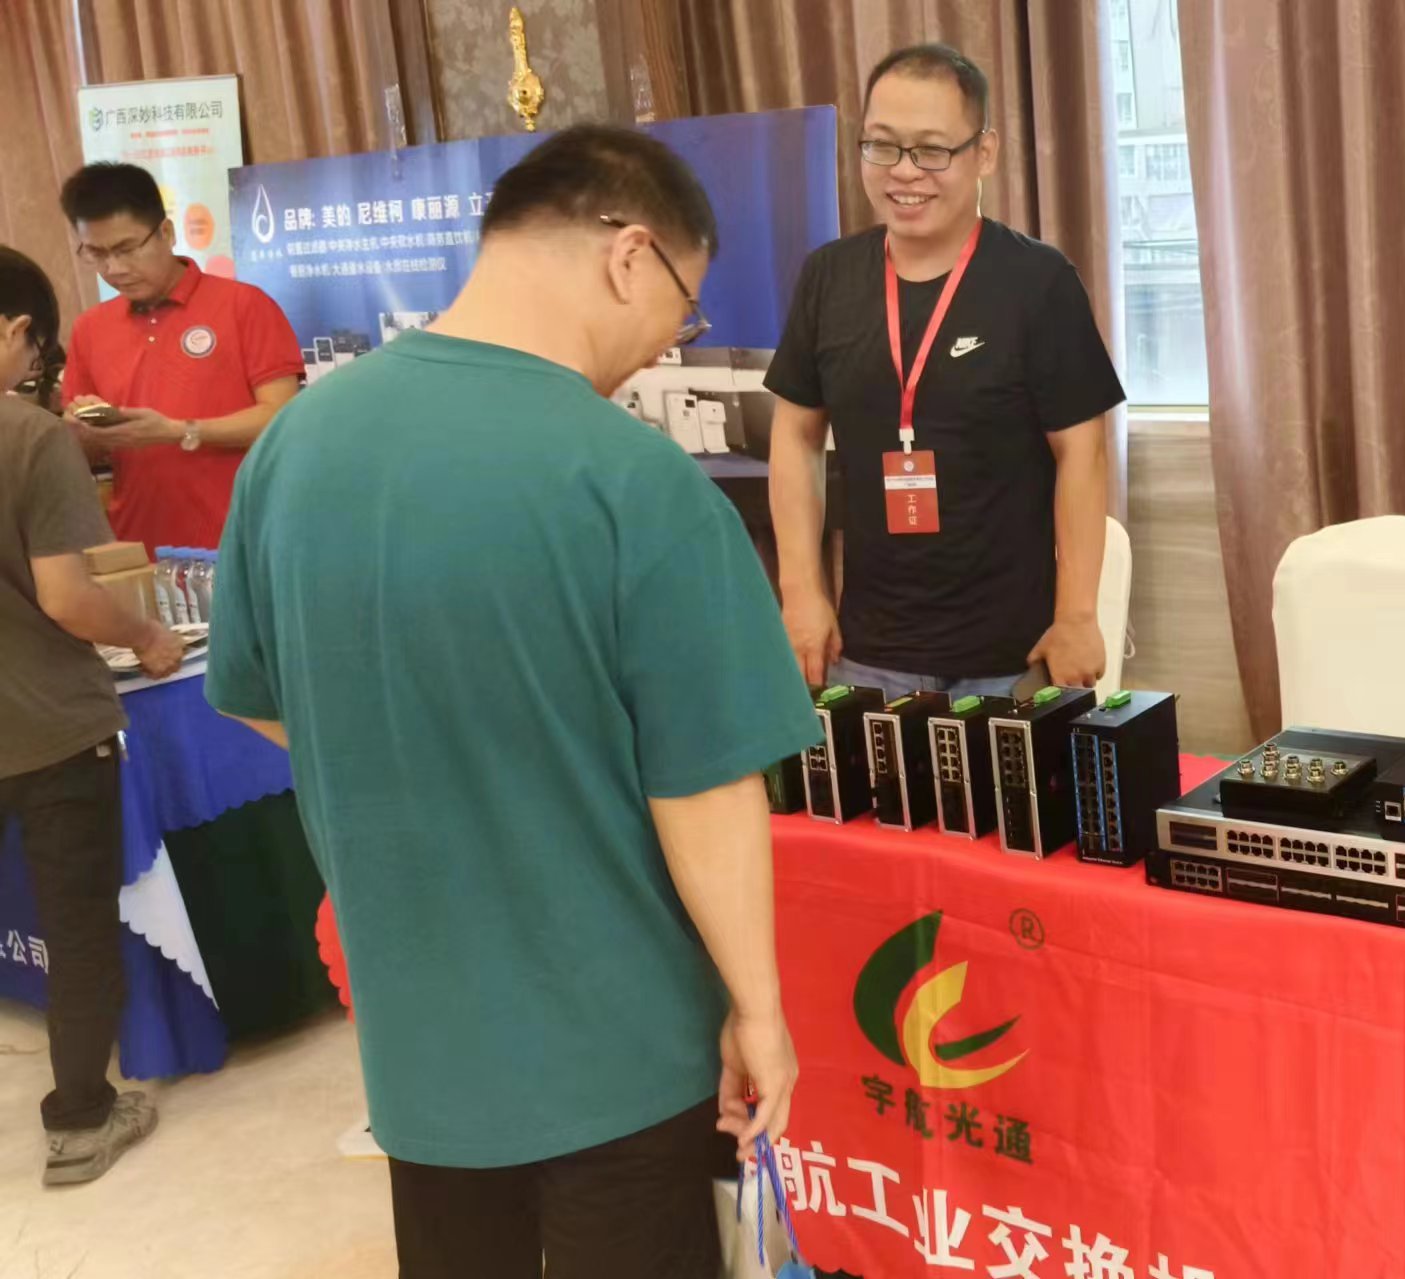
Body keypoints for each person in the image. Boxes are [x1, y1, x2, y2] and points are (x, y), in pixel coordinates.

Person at [202, 127, 815, 1277]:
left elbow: (258, 698)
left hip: (418, 1044)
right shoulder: (635, 479)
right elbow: (705, 787)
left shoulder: (295, 447)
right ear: (630, 256)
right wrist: (758, 1007)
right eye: (681, 310)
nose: (664, 343)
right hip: (615, 1043)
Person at [768, 43, 1125, 701]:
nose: (905, 172)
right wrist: (801, 591)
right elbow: (794, 437)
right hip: (864, 651)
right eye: (882, 146)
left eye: (932, 150)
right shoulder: (828, 277)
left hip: (1012, 655)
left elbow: (1082, 451)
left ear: (983, 152)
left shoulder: (1037, 281)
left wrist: (1076, 614)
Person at [0, 245, 184, 1186]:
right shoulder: (30, 437)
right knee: (75, 924)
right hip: (50, 728)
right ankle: (79, 1122)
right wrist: (147, 636)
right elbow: (70, 597)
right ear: (15, 331)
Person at [58, 161, 304, 551]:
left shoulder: (243, 306)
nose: (114, 268)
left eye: (126, 249)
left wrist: (179, 431)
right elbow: (83, 455)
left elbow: (283, 419)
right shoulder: (90, 328)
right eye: (96, 253)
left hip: (240, 541)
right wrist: (82, 432)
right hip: (139, 545)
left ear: (167, 232)